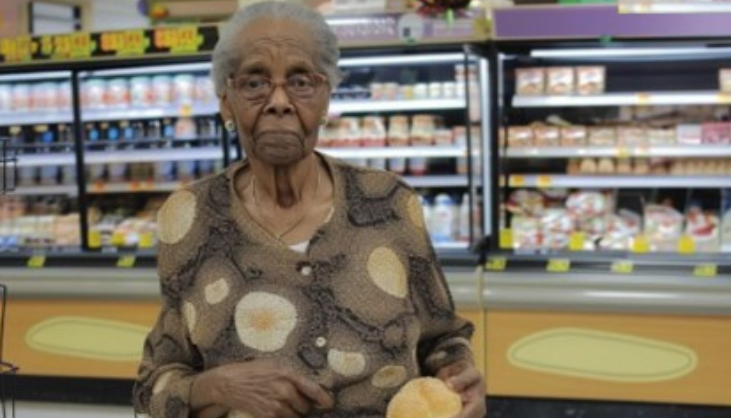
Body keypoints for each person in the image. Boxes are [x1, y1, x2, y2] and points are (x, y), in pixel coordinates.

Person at [132, 2, 486, 418]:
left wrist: (458, 376)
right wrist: (216, 387)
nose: (279, 101)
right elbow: (152, 388)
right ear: (227, 102)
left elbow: (442, 338)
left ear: (325, 99)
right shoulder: (189, 218)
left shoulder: (389, 201)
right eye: (254, 82)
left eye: (301, 81)